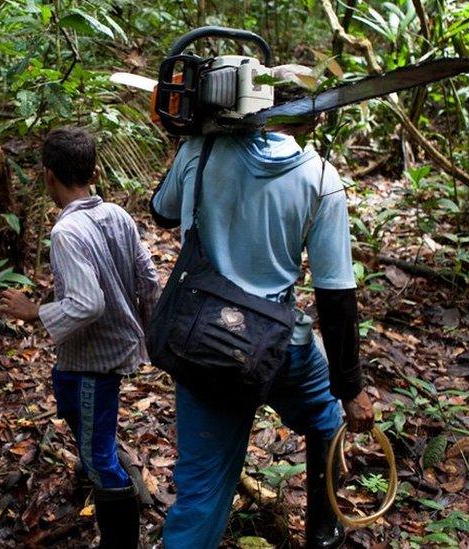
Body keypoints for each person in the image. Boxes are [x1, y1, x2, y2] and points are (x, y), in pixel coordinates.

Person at [149, 67, 376, 549]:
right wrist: (350, 386)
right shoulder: (321, 179)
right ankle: (323, 530)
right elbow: (336, 293)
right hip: (280, 344)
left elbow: (161, 211)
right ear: (310, 120)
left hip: (205, 344)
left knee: (201, 494)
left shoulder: (199, 151)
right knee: (326, 418)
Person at [0, 127, 161, 548]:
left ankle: (120, 539)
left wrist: (33, 311)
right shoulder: (118, 215)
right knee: (85, 422)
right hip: (102, 352)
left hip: (96, 360)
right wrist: (147, 332)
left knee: (98, 456)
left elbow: (88, 303)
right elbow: (148, 280)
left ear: (48, 175)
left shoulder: (66, 233)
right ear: (93, 171)